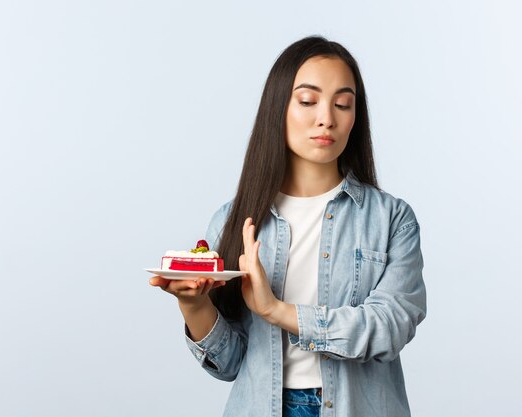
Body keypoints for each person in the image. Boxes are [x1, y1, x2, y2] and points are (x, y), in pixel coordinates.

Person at [150, 36, 426, 417]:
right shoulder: (235, 220)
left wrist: (277, 310)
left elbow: (389, 327)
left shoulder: (391, 219)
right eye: (308, 101)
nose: (326, 117)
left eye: (342, 103)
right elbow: (229, 364)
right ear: (278, 107)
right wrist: (193, 303)